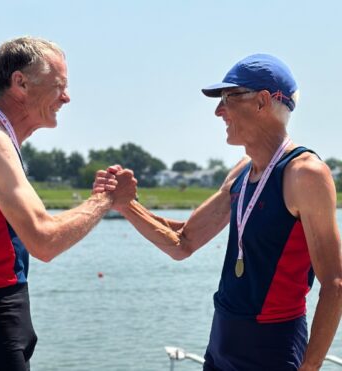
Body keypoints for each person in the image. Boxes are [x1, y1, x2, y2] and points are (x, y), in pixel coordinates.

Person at [94, 54, 342, 370]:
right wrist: (125, 205)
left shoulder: (305, 173)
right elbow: (182, 241)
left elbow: (334, 283)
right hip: (222, 342)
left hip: (272, 348)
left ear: (263, 101)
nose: (218, 110)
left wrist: (309, 367)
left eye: (228, 97)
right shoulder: (241, 171)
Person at [0, 36, 137, 371]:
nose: (67, 97)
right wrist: (104, 201)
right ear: (20, 83)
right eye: (59, 85)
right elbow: (44, 241)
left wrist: (98, 201)